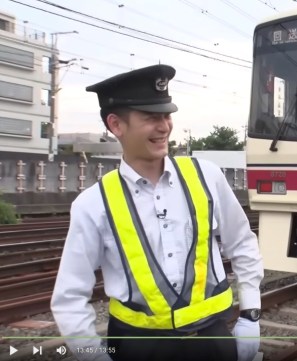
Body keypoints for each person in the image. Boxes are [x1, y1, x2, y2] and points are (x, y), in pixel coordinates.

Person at [51, 64, 264, 361]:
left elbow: (242, 243)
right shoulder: (93, 205)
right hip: (138, 347)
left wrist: (250, 316)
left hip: (214, 340)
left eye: (167, 115)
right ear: (116, 125)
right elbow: (69, 297)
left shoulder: (207, 177)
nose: (164, 126)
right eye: (151, 117)